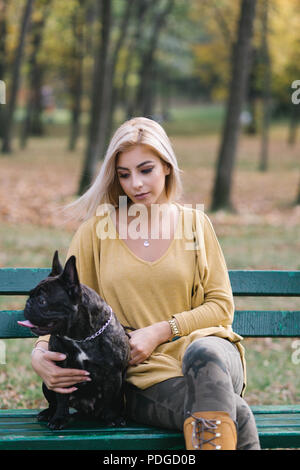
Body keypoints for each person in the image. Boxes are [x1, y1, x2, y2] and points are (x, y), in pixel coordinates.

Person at [31, 117, 260, 450]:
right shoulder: (96, 232)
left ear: (167, 166)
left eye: (146, 169)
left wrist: (161, 331)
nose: (135, 184)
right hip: (146, 374)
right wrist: (40, 354)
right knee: (234, 413)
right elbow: (71, 305)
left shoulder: (195, 224)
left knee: (203, 350)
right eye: (124, 174)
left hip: (212, 356)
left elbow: (221, 307)